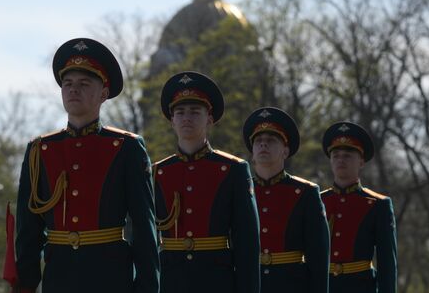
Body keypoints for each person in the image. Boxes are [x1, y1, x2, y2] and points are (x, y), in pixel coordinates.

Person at [11, 38, 159, 293]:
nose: (73, 90)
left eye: (83, 84)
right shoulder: (40, 151)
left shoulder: (125, 148)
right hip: (58, 278)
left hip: (110, 279)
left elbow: (144, 228)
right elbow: (28, 232)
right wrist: (24, 285)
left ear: (103, 93)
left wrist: (146, 286)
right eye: (67, 84)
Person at [153, 71, 260, 293]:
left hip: (216, 280)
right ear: (172, 121)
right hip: (170, 282)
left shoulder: (232, 170)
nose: (186, 118)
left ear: (209, 118)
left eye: (195, 111)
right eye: (180, 112)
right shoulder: (158, 172)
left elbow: (246, 244)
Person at [242, 107, 329, 293]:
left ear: (285, 151)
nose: (263, 145)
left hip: (291, 284)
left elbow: (318, 258)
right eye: (258, 141)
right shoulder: (240, 189)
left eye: (271, 140)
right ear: (252, 151)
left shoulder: (305, 193)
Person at [320, 122, 397, 293]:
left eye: (347, 155)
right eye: (336, 155)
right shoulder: (317, 201)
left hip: (361, 286)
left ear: (361, 162)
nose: (341, 159)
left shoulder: (377, 204)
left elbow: (387, 264)